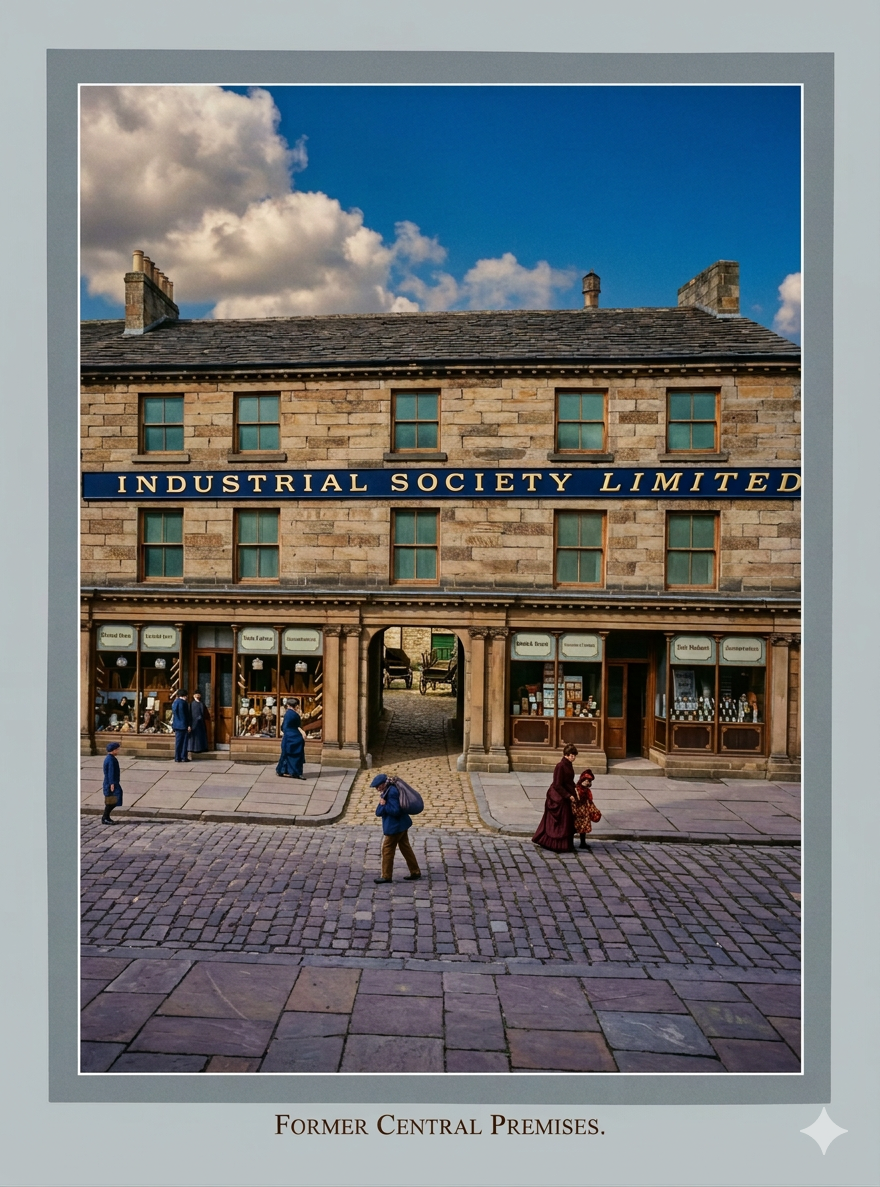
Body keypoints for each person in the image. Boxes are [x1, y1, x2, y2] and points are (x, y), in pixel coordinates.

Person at [372, 773, 421, 884]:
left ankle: (386, 876)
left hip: (395, 827)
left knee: (387, 850)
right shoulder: (388, 791)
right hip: (402, 825)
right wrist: (382, 805)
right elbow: (378, 812)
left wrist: (384, 805)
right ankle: (415, 871)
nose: (377, 789)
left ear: (383, 784)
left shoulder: (392, 792)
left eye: (378, 786)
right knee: (405, 848)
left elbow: (395, 810)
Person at [532, 743, 578, 852]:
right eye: (572, 755)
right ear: (566, 755)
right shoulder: (560, 766)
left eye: (574, 755)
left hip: (565, 796)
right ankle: (554, 844)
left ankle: (566, 845)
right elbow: (557, 784)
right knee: (560, 822)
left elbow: (569, 781)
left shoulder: (568, 765)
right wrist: (568, 796)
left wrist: (575, 790)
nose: (574, 757)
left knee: (566, 821)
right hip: (558, 797)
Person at [275, 697, 306, 779]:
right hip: (295, 737)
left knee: (286, 755)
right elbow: (298, 725)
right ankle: (296, 772)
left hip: (288, 737)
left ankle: (281, 770)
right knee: (296, 756)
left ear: (288, 705)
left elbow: (284, 727)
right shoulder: (295, 715)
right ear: (295, 706)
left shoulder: (287, 714)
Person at [572, 767, 596, 849]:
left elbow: (589, 800)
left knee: (584, 827)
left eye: (588, 781)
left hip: (584, 810)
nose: (586, 782)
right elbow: (575, 799)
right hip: (577, 809)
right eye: (585, 780)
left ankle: (583, 843)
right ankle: (570, 843)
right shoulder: (577, 789)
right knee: (574, 826)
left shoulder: (587, 790)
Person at [102, 740, 123, 825]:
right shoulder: (110, 760)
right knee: (112, 800)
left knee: (112, 800)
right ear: (113, 750)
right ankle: (105, 817)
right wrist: (112, 784)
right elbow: (111, 772)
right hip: (111, 783)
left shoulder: (110, 758)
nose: (118, 751)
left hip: (112, 782)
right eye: (117, 749)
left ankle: (106, 817)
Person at [171, 690, 191, 762]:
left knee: (178, 742)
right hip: (183, 725)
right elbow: (186, 715)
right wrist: (188, 725)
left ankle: (177, 757)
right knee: (184, 742)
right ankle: (184, 756)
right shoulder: (184, 703)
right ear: (184, 696)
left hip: (177, 725)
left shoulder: (175, 702)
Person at [188, 690, 209, 755]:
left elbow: (205, 713)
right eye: (196, 694)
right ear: (193, 696)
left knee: (201, 735)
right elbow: (189, 714)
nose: (197, 696)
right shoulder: (191, 704)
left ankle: (202, 748)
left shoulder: (202, 704)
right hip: (194, 722)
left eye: (199, 694)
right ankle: (193, 748)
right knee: (195, 736)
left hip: (201, 722)